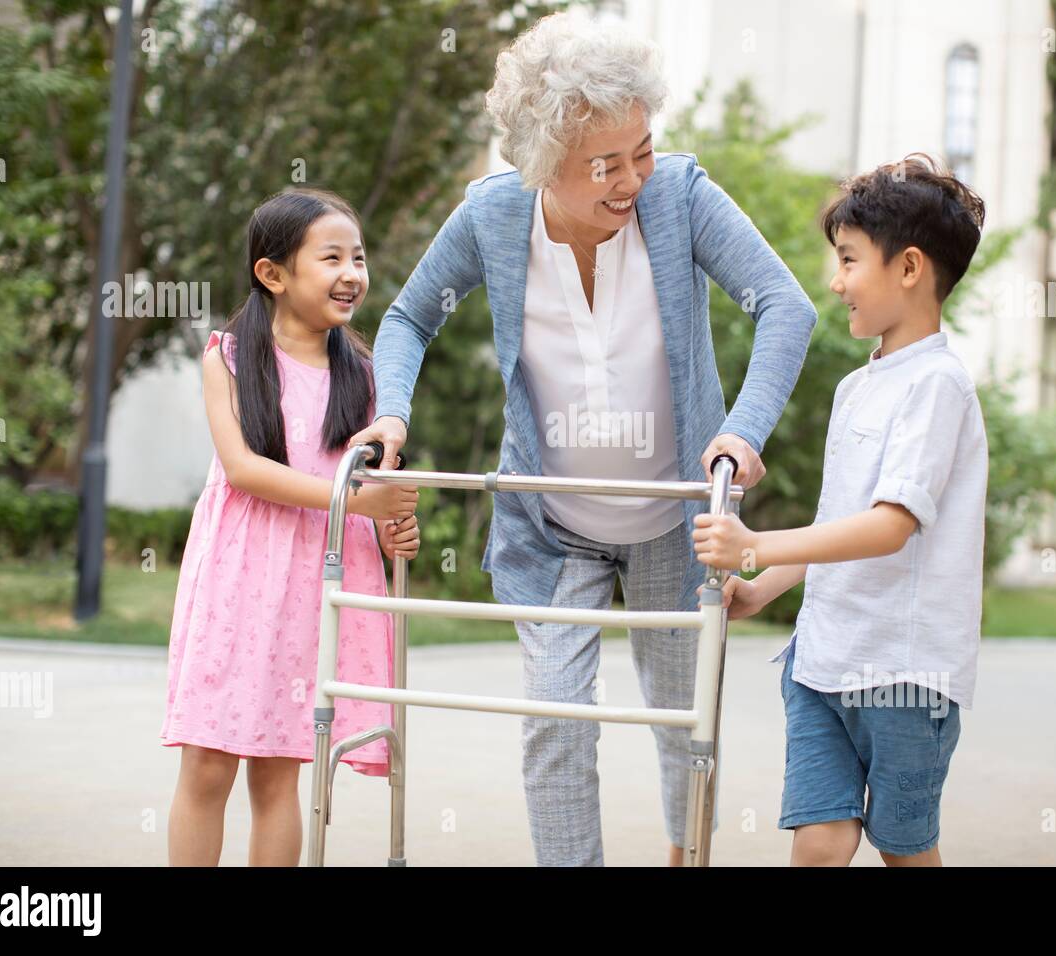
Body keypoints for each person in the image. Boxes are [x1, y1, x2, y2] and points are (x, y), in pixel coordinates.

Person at [348, 10, 818, 867]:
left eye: (642, 148)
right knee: (556, 728)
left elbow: (786, 306)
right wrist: (393, 412)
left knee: (685, 730)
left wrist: (742, 432)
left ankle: (686, 857)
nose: (632, 176)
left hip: (676, 523)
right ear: (541, 163)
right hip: (552, 520)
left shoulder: (678, 198)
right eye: (607, 162)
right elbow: (411, 315)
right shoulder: (494, 219)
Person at [693, 154, 989, 867]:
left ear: (910, 268)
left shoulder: (938, 387)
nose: (837, 281)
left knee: (904, 850)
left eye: (850, 260)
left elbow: (889, 527)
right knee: (820, 846)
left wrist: (755, 545)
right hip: (824, 663)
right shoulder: (857, 390)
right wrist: (765, 586)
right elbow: (842, 521)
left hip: (904, 674)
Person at [162, 188, 420, 866]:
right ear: (272, 273)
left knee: (281, 769)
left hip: (315, 581)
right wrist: (353, 503)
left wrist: (391, 526)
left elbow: (377, 492)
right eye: (331, 257)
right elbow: (244, 469)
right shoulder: (229, 357)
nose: (352, 274)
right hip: (238, 575)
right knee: (209, 761)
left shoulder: (365, 376)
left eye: (358, 258)